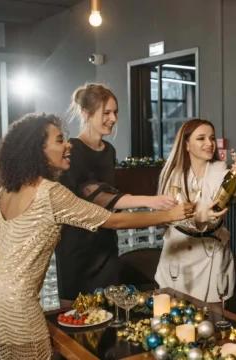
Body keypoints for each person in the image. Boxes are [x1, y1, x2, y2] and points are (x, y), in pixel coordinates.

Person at [0, 113, 194, 359]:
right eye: (59, 141)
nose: (68, 145)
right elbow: (113, 220)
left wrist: (24, 243)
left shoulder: (7, 190)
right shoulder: (50, 193)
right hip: (16, 304)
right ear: (38, 151)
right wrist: (170, 215)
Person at [56, 83, 176, 308]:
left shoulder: (109, 150)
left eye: (115, 112)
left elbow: (109, 200)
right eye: (107, 112)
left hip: (105, 243)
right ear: (86, 113)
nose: (113, 118)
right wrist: (151, 201)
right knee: (76, 316)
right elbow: (98, 196)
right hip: (76, 247)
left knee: (109, 312)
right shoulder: (73, 150)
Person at [154, 119, 236, 303]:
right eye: (201, 138)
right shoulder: (172, 173)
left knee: (214, 320)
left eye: (212, 138)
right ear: (186, 144)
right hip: (178, 255)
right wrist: (200, 217)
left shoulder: (219, 169)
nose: (209, 144)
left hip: (211, 257)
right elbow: (170, 217)